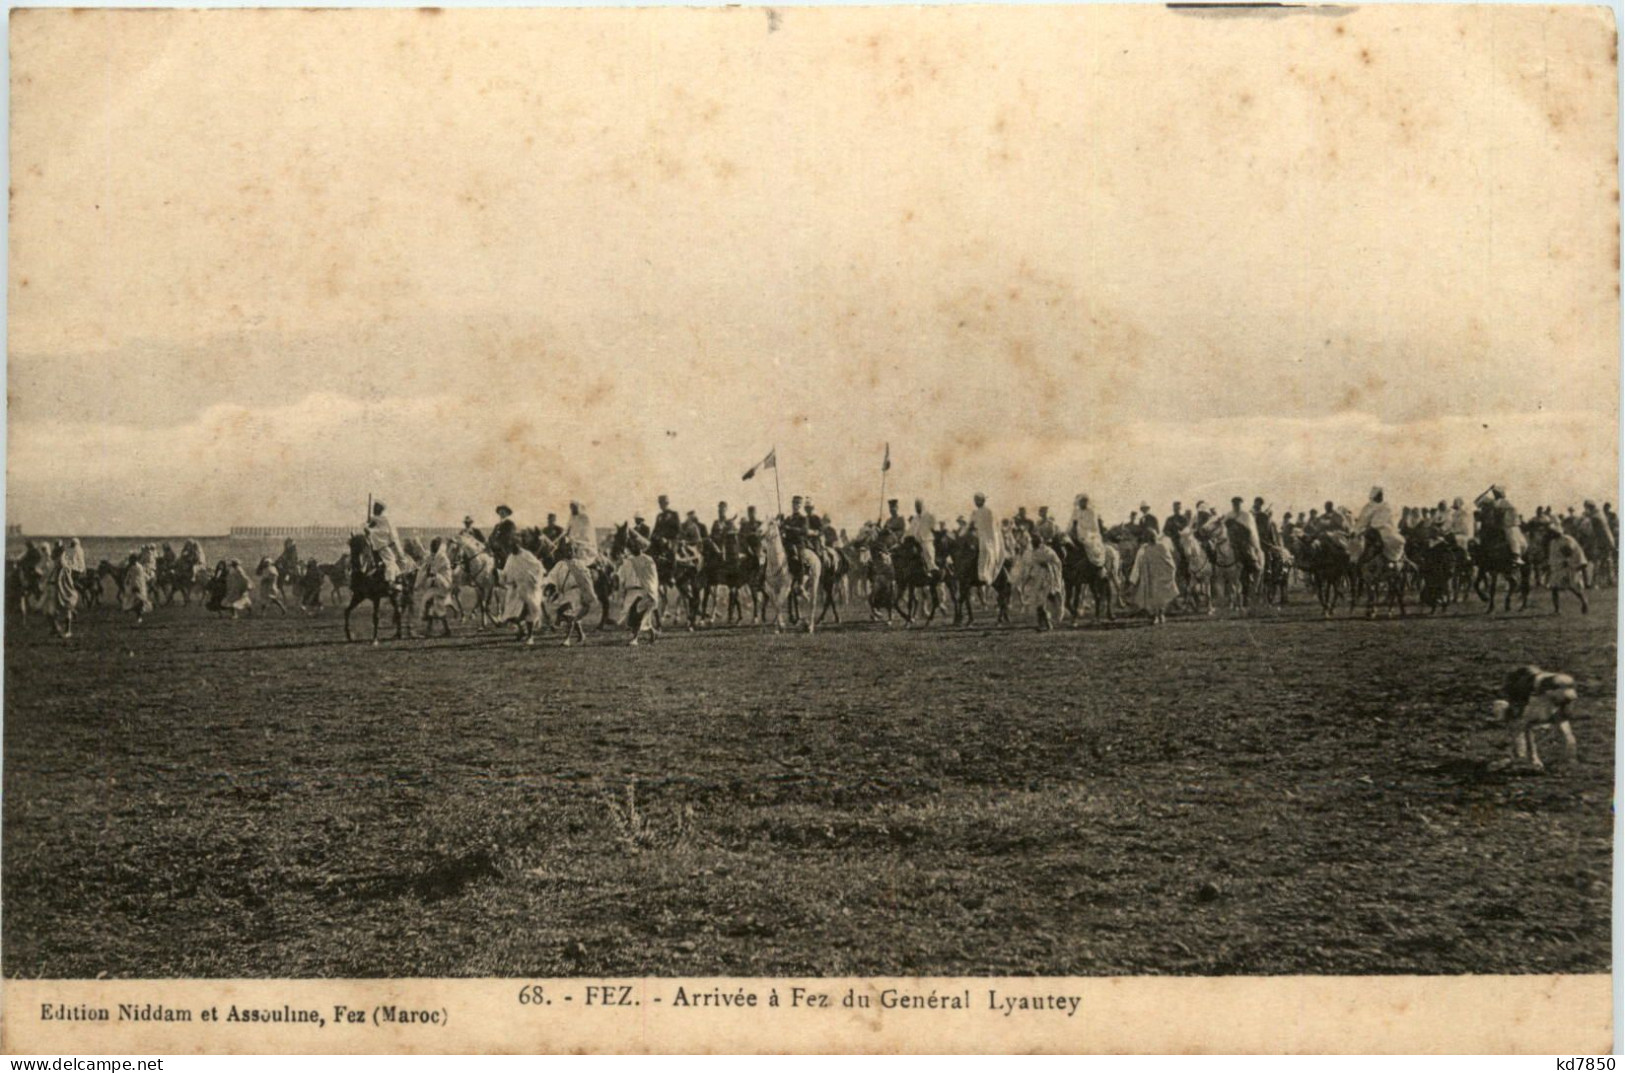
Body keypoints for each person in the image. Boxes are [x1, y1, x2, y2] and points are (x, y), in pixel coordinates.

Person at [617, 532, 662, 645]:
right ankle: (653, 633)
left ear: (641, 547)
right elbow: (622, 577)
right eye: (632, 546)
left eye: (636, 545)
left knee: (637, 614)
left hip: (644, 591)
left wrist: (651, 590)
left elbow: (652, 576)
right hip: (630, 591)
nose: (634, 548)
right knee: (631, 618)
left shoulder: (648, 560)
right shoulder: (627, 562)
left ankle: (635, 639)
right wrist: (622, 592)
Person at [1129, 524, 1179, 625]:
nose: (1151, 538)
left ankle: (1161, 614)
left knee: (1162, 597)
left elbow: (1169, 561)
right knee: (1153, 597)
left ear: (1155, 536)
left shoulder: (1162, 546)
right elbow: (1141, 562)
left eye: (1153, 536)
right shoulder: (1146, 548)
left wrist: (1170, 573)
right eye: (1149, 536)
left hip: (1162, 576)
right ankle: (1155, 616)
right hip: (1151, 576)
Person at [1541, 521, 1589, 614]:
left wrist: (1567, 562)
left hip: (1568, 567)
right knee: (1554, 588)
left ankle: (1584, 601)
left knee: (1572, 587)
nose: (1550, 534)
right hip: (1557, 567)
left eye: (1551, 532)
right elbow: (1553, 555)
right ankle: (1557, 610)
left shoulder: (1566, 539)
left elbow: (1569, 553)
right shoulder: (1553, 542)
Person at [1352, 487, 1403, 565]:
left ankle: (1392, 561)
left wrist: (1368, 528)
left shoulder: (1386, 506)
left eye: (1381, 495)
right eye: (1379, 495)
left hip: (1384, 529)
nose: (1380, 496)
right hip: (1369, 529)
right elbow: (1362, 520)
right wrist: (1356, 530)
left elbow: (1378, 522)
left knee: (1393, 541)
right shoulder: (1368, 506)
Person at [415, 537, 455, 636]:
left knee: (431, 603)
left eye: (434, 546)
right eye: (432, 545)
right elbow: (426, 566)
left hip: (443, 585)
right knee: (433, 606)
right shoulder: (433, 556)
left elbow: (438, 572)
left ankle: (442, 630)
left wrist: (431, 574)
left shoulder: (442, 558)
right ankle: (434, 630)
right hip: (436, 586)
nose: (432, 547)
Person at [1024, 537, 1065, 630]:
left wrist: (1048, 566)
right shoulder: (1033, 553)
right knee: (1038, 602)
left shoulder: (1047, 552)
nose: (1032, 544)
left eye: (1034, 543)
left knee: (1042, 602)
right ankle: (1043, 623)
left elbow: (1057, 563)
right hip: (1037, 580)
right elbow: (1031, 566)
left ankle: (1047, 624)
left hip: (1047, 580)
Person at [43, 540, 78, 638]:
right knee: (50, 611)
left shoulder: (63, 564)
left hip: (61, 589)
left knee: (66, 609)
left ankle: (67, 631)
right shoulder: (55, 563)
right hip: (53, 587)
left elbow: (67, 579)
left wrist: (66, 589)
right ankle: (56, 629)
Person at [364, 500, 405, 581]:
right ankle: (391, 582)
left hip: (376, 547)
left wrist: (369, 529)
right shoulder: (379, 520)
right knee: (391, 561)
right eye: (374, 507)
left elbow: (389, 534)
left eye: (376, 508)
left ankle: (391, 580)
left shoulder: (381, 520)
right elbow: (393, 537)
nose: (374, 509)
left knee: (390, 560)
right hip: (376, 547)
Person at [970, 493, 1004, 585]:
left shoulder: (989, 511)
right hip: (982, 536)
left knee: (988, 554)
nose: (976, 503)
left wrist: (992, 540)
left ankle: (987, 576)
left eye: (977, 500)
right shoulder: (976, 512)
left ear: (982, 501)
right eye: (975, 501)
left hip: (989, 537)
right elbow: (972, 524)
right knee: (982, 553)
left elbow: (993, 527)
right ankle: (982, 575)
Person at [1069, 494, 1107, 566]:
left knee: (1091, 545)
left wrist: (1085, 530)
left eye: (1084, 501)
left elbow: (1093, 526)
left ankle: (1097, 564)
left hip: (1090, 533)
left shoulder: (1091, 512)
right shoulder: (1076, 511)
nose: (1082, 503)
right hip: (1078, 532)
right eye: (1081, 501)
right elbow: (1074, 522)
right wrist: (1073, 531)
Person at [909, 498, 938, 571]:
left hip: (926, 540)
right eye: (916, 506)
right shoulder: (914, 518)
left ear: (923, 505)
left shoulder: (929, 515)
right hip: (916, 542)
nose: (917, 507)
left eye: (919, 505)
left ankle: (933, 571)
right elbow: (910, 530)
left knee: (928, 554)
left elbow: (934, 527)